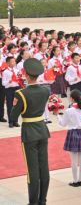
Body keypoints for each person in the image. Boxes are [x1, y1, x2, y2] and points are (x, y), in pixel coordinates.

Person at [10, 58, 51, 205]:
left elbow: (13, 117)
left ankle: (33, 202)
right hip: (42, 129)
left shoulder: (21, 93)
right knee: (44, 167)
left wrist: (14, 105)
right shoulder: (46, 90)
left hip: (29, 133)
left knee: (32, 170)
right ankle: (42, 200)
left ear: (26, 75)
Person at [58, 89, 81, 187]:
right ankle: (80, 180)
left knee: (74, 160)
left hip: (73, 133)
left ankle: (75, 180)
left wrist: (58, 116)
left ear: (72, 99)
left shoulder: (69, 111)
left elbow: (63, 124)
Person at [2, 56, 21, 127]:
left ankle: (15, 121)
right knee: (10, 105)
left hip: (17, 89)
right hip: (9, 90)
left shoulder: (17, 70)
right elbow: (3, 83)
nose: (14, 63)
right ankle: (10, 121)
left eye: (14, 61)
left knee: (17, 105)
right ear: (8, 63)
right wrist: (9, 81)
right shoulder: (5, 72)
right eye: (12, 61)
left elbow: (19, 79)